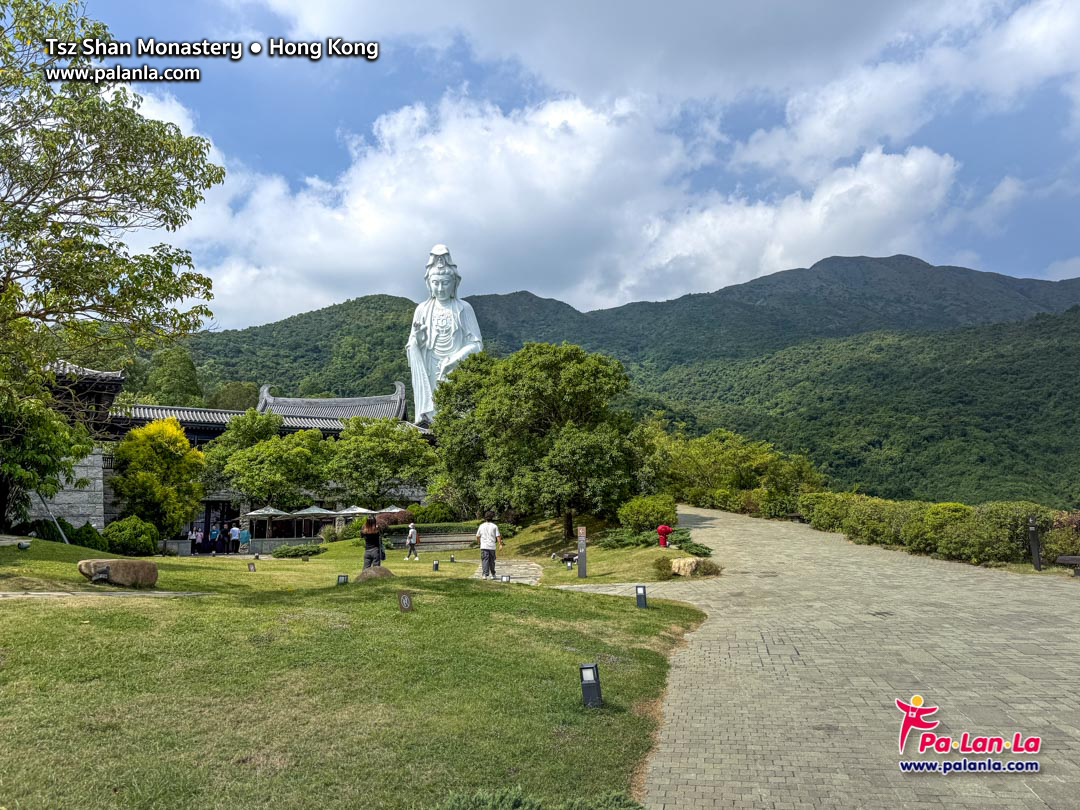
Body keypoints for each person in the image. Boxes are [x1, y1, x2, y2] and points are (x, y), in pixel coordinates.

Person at [405, 245, 484, 425]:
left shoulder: (464, 308)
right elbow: (413, 344)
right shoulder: (422, 310)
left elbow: (477, 345)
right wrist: (417, 340)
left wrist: (456, 359)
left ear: (454, 283)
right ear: (429, 284)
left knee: (458, 415)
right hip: (431, 367)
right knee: (432, 412)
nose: (440, 288)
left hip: (456, 369)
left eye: (445, 283)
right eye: (436, 283)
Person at [476, 511, 503, 580]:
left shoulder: (481, 526)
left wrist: (479, 543)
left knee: (485, 560)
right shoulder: (494, 526)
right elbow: (498, 536)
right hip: (492, 546)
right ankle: (493, 574)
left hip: (484, 546)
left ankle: (485, 574)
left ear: (485, 518)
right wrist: (500, 544)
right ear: (492, 518)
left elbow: (478, 536)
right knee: (492, 561)